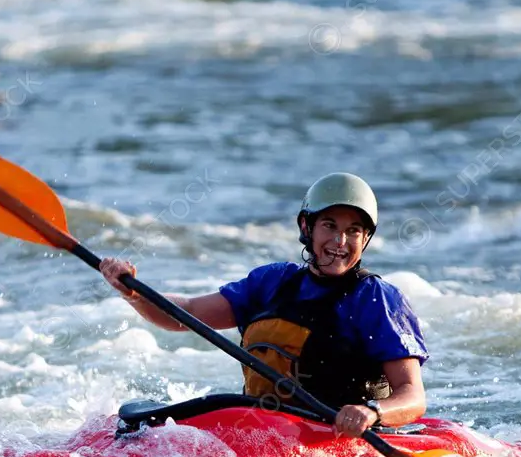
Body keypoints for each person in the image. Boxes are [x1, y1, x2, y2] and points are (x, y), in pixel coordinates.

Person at [99, 173, 428, 438]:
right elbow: (188, 313)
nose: (340, 242)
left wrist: (372, 412)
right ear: (306, 227)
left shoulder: (376, 299)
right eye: (330, 226)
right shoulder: (272, 283)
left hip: (338, 441)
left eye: (353, 231)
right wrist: (133, 293)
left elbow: (412, 395)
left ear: (365, 239)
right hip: (264, 430)